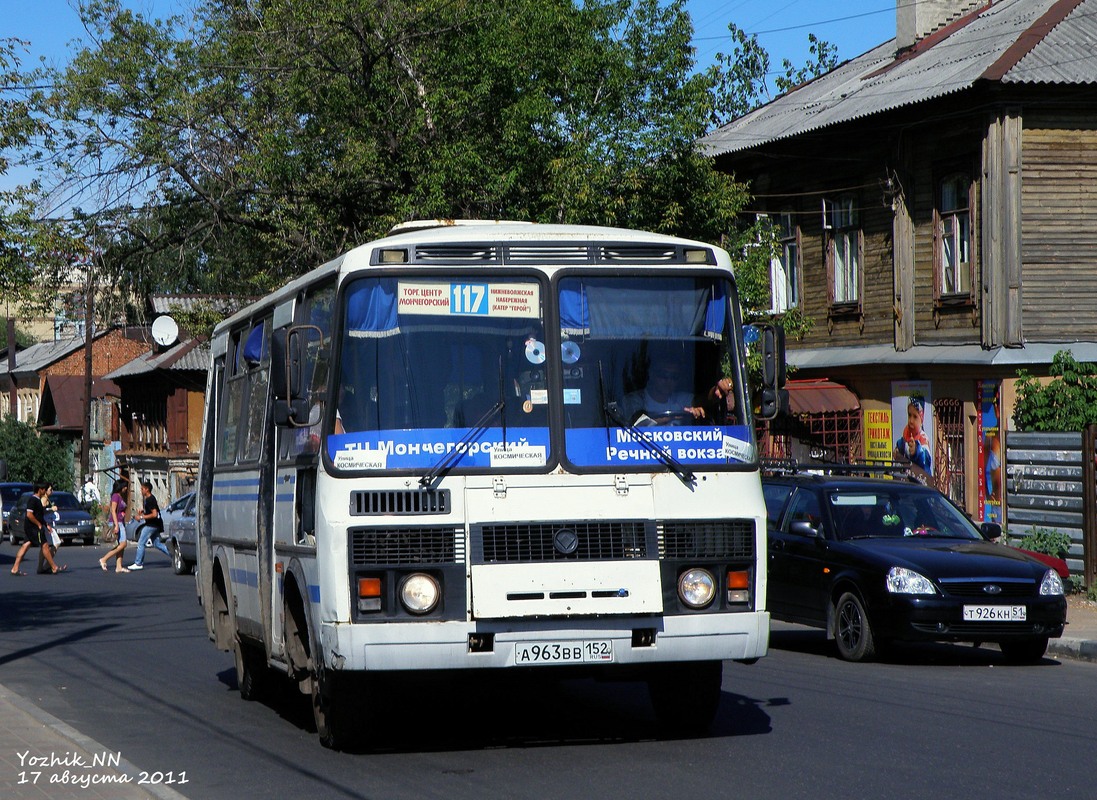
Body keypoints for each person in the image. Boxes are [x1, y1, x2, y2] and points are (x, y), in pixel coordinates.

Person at [618, 355, 708, 425]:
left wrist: (716, 390)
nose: (668, 381)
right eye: (663, 375)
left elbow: (706, 401)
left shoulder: (682, 399)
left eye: (674, 377)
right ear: (652, 375)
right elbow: (637, 422)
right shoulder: (634, 399)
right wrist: (676, 416)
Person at [10, 482, 65, 576]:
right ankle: (53, 567)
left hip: (32, 527)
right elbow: (29, 515)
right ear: (40, 490)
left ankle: (15, 568)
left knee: (25, 546)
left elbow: (39, 515)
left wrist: (45, 524)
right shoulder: (33, 500)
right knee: (45, 546)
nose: (45, 491)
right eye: (44, 489)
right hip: (34, 528)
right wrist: (39, 524)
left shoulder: (37, 500)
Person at [127, 480, 167, 570]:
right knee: (157, 544)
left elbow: (154, 514)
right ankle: (174, 556)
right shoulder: (147, 499)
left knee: (141, 542)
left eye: (142, 489)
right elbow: (150, 512)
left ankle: (138, 563)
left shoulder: (150, 499)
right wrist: (143, 512)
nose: (141, 491)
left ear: (147, 489)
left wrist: (141, 517)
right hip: (154, 524)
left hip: (152, 525)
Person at [99, 478, 130, 573]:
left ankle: (119, 566)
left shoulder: (120, 496)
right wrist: (116, 525)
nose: (126, 489)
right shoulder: (115, 496)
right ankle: (104, 559)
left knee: (121, 545)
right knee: (123, 544)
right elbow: (113, 510)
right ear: (121, 487)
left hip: (121, 522)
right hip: (117, 523)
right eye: (125, 487)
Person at [895, 396, 932, 472]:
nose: (911, 421)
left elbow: (926, 459)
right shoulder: (905, 436)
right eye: (909, 415)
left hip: (921, 481)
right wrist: (897, 451)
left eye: (915, 417)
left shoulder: (923, 438)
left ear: (921, 420)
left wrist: (916, 451)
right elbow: (901, 446)